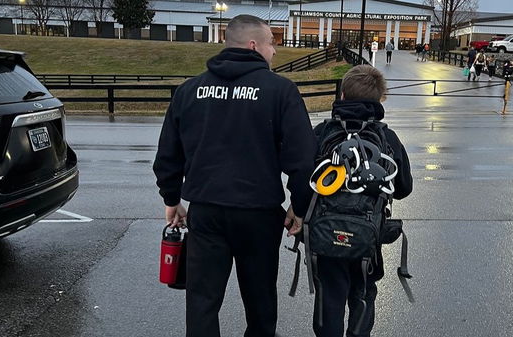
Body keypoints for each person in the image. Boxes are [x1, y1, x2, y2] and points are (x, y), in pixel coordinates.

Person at [153, 14, 317, 337]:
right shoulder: (281, 91)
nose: (274, 52)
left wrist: (172, 198)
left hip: (206, 210)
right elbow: (303, 159)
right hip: (258, 214)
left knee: (202, 302)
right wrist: (300, 206)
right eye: (272, 44)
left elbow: (167, 155)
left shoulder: (190, 91)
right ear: (254, 45)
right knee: (260, 304)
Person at [311, 65, 413, 337]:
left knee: (329, 294)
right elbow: (404, 188)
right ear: (380, 101)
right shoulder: (387, 138)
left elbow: (303, 179)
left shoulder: (322, 132)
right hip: (367, 235)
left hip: (325, 233)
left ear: (342, 95)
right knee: (363, 292)